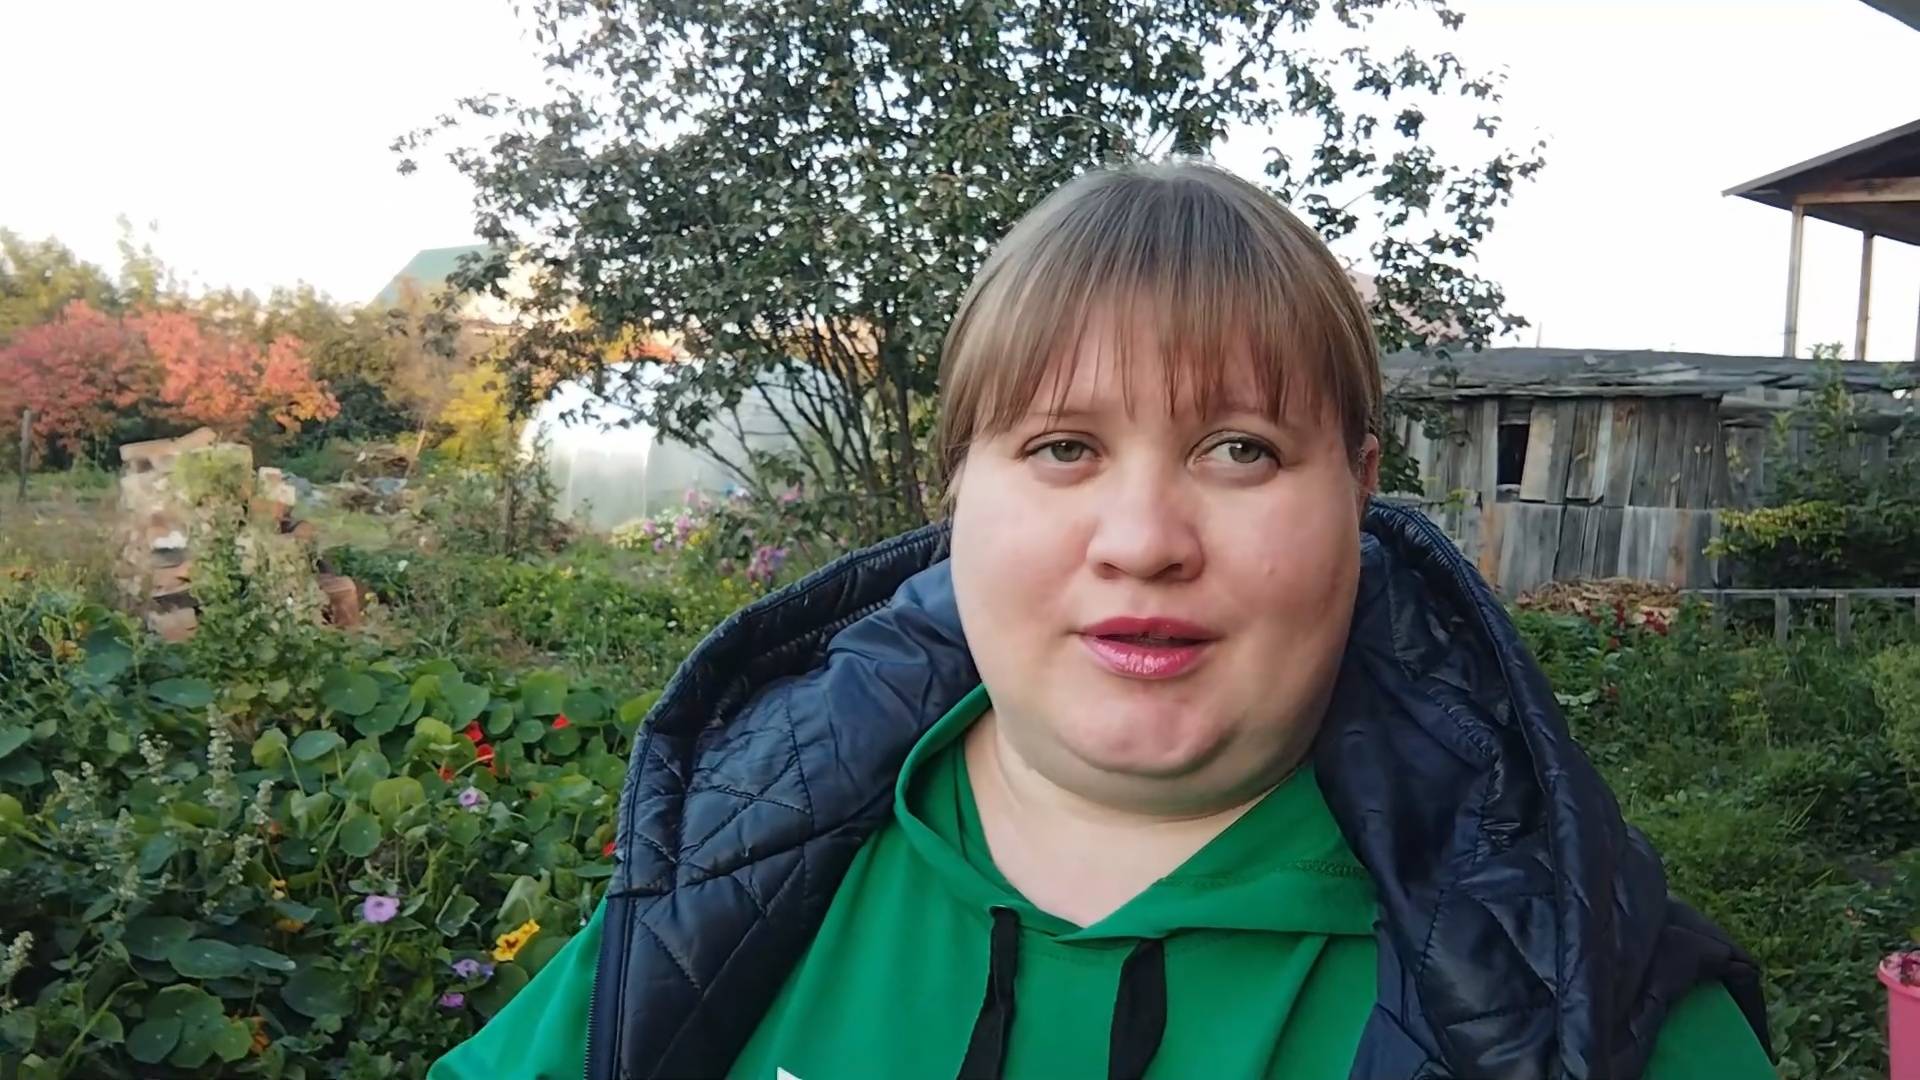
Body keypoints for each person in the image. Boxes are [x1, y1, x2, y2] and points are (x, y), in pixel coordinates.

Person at [430, 161, 1772, 1080]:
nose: (1142, 539)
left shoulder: (1584, 996)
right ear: (958, 488)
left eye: (1241, 450)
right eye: (1063, 447)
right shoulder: (730, 883)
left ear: (1359, 495)